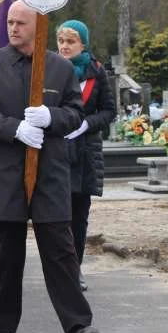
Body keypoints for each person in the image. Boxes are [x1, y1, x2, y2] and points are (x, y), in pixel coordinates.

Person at [0, 1, 100, 333]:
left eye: (21, 23)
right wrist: (15, 129)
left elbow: (75, 114)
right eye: (9, 22)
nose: (13, 28)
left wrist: (50, 117)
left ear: (39, 27)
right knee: (8, 255)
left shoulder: (59, 67)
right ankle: (4, 326)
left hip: (49, 174)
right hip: (5, 175)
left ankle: (78, 328)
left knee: (60, 252)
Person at [56, 20, 115, 292]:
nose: (65, 46)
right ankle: (58, 268)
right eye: (61, 41)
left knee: (78, 217)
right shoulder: (49, 69)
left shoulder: (97, 72)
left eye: (71, 42)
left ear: (83, 45)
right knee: (57, 217)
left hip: (85, 154)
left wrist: (86, 124)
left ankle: (74, 268)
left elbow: (108, 111)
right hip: (57, 151)